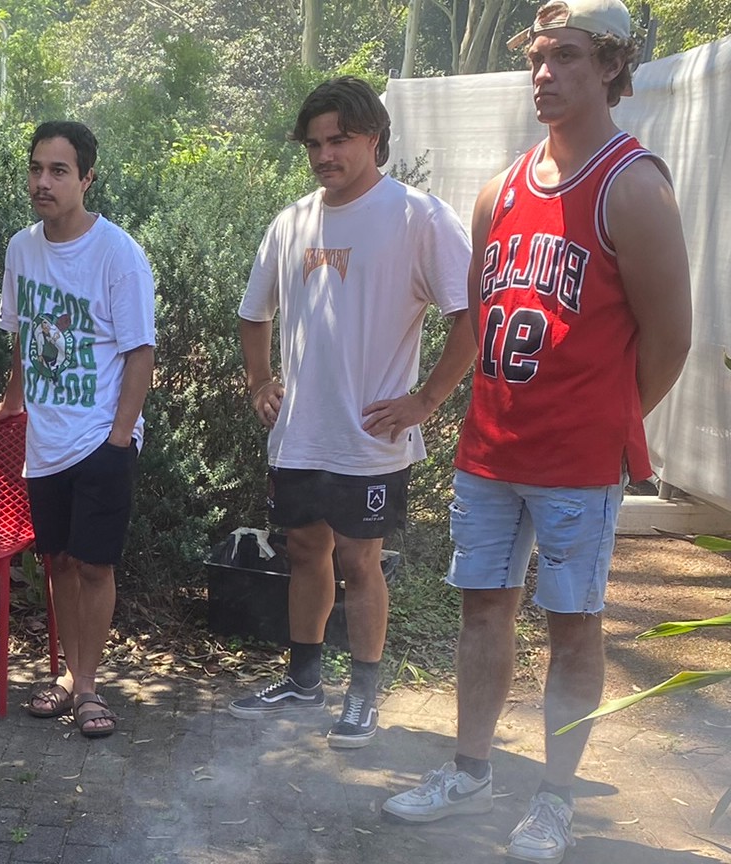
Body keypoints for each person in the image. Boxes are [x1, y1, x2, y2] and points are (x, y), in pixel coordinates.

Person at [382, 1, 692, 859]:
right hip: (489, 454)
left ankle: (556, 800)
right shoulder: (500, 189)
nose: (545, 73)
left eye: (567, 57)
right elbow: (481, 320)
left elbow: (671, 337)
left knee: (572, 626)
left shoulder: (634, 185)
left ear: (611, 70)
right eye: (538, 57)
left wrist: (607, 424)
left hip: (576, 465)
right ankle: (470, 770)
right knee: (483, 612)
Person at [230, 76, 474, 748]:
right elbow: (255, 315)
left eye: (338, 139)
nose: (324, 154)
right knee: (306, 550)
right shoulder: (292, 222)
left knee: (361, 562)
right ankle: (304, 682)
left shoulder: (418, 217)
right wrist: (259, 383)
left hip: (371, 435)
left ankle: (363, 695)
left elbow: (470, 317)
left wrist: (425, 400)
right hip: (300, 434)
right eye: (314, 143)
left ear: (373, 137)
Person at [0, 121, 156, 739]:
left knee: (94, 566)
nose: (42, 182)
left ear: (86, 178)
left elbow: (141, 353)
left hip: (99, 439)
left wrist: (119, 441)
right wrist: (13, 398)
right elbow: (24, 335)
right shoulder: (21, 249)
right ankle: (64, 674)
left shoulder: (117, 254)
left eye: (58, 171)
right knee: (57, 561)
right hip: (47, 443)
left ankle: (87, 687)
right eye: (36, 169)